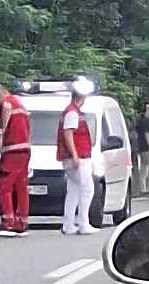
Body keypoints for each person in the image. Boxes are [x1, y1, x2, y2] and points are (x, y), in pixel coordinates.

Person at [56, 79, 99, 235]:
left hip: (74, 157)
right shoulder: (73, 112)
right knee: (87, 189)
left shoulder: (71, 111)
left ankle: (68, 224)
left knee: (74, 190)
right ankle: (83, 223)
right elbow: (68, 134)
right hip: (78, 157)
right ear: (82, 97)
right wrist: (74, 155)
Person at [0, 84, 31, 236]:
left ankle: (8, 221)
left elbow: (2, 128)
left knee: (4, 186)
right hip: (25, 150)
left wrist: (0, 143)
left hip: (12, 150)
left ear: (0, 95)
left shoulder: (7, 104)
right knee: (21, 186)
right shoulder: (21, 106)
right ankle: (22, 221)